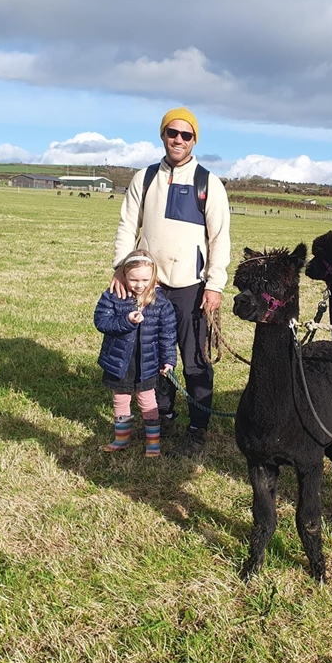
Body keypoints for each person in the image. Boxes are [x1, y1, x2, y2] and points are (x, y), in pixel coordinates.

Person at [111, 107, 231, 457]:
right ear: (163, 135)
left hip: (192, 288)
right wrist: (122, 267)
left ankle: (197, 429)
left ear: (195, 139)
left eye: (186, 135)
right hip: (149, 287)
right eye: (172, 133)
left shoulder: (208, 182)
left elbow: (219, 239)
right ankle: (161, 418)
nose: (178, 140)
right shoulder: (144, 178)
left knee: (195, 361)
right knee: (153, 357)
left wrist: (215, 285)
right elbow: (126, 225)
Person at [95, 250, 177, 457]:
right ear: (124, 275)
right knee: (120, 399)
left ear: (154, 277)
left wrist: (168, 360)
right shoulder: (113, 296)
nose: (139, 285)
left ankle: (153, 443)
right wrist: (126, 321)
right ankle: (121, 439)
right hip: (120, 362)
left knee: (148, 401)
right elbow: (101, 322)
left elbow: (168, 335)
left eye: (144, 280)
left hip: (147, 363)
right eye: (133, 279)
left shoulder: (161, 303)